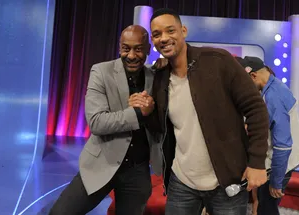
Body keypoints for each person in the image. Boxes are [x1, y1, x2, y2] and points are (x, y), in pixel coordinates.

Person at [132, 8, 270, 215]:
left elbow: (256, 109)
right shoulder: (160, 76)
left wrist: (257, 162)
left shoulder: (218, 61)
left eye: (170, 30)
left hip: (227, 182)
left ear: (183, 31)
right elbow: (162, 129)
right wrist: (149, 111)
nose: (164, 38)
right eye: (157, 34)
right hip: (181, 182)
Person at [49, 25, 164, 215]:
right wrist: (137, 112)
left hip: (138, 171)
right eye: (126, 48)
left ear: (148, 48)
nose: (132, 55)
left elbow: (161, 122)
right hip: (102, 163)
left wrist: (150, 110)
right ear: (119, 47)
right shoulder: (101, 71)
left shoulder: (156, 76)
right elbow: (96, 122)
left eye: (138, 49)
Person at [236, 56, 299, 215]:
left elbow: (282, 146)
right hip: (281, 160)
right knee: (265, 205)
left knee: (267, 209)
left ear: (253, 76)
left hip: (281, 162)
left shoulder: (273, 96)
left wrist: (276, 182)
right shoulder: (272, 87)